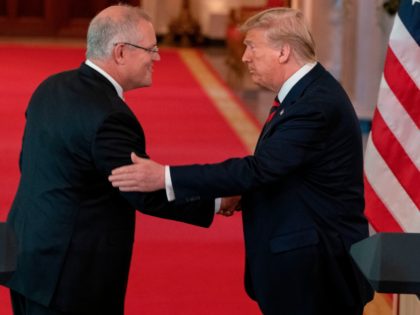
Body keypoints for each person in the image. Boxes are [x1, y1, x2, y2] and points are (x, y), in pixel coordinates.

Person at [109, 7, 374, 315]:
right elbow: (284, 168)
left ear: (283, 51)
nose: (245, 56)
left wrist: (165, 176)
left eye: (252, 47)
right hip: (303, 262)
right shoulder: (307, 92)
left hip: (315, 271)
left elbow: (260, 169)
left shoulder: (315, 104)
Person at [0, 4, 221, 315]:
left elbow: (29, 164)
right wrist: (219, 201)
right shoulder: (111, 116)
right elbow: (144, 190)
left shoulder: (50, 86)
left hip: (21, 253)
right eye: (151, 49)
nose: (157, 57)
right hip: (68, 275)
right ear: (120, 52)